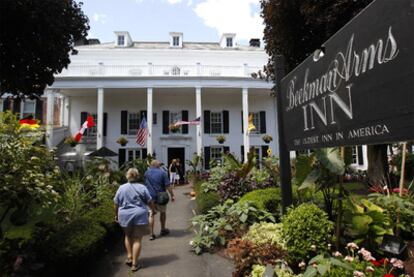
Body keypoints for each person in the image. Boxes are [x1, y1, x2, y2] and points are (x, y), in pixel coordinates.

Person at [114, 168, 156, 272]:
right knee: (137, 239)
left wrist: (116, 215)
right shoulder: (142, 187)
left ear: (127, 176)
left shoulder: (121, 188)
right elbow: (149, 201)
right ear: (137, 176)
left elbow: (116, 203)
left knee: (127, 236)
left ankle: (129, 257)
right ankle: (135, 264)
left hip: (124, 215)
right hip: (139, 215)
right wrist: (153, 210)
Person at [145, 160, 175, 240]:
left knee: (151, 214)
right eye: (160, 165)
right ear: (158, 166)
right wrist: (172, 195)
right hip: (161, 196)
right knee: (162, 212)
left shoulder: (146, 173)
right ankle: (162, 229)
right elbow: (168, 186)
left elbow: (145, 184)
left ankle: (151, 234)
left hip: (150, 197)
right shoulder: (163, 173)